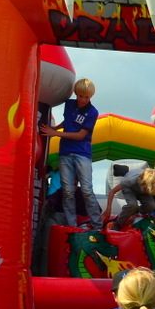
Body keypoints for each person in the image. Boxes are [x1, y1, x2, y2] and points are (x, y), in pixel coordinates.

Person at [41, 78, 102, 229]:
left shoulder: (92, 112)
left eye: (86, 97)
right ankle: (72, 225)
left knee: (86, 190)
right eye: (80, 96)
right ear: (76, 94)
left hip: (82, 153)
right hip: (65, 152)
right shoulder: (69, 105)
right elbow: (68, 122)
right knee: (67, 191)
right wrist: (55, 128)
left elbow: (81, 135)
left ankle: (98, 225)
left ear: (91, 96)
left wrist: (55, 133)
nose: (83, 100)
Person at [103, 165, 155, 230]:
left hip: (143, 191)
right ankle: (117, 224)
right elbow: (112, 192)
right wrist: (108, 209)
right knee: (132, 205)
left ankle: (135, 212)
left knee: (152, 205)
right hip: (130, 188)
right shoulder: (130, 180)